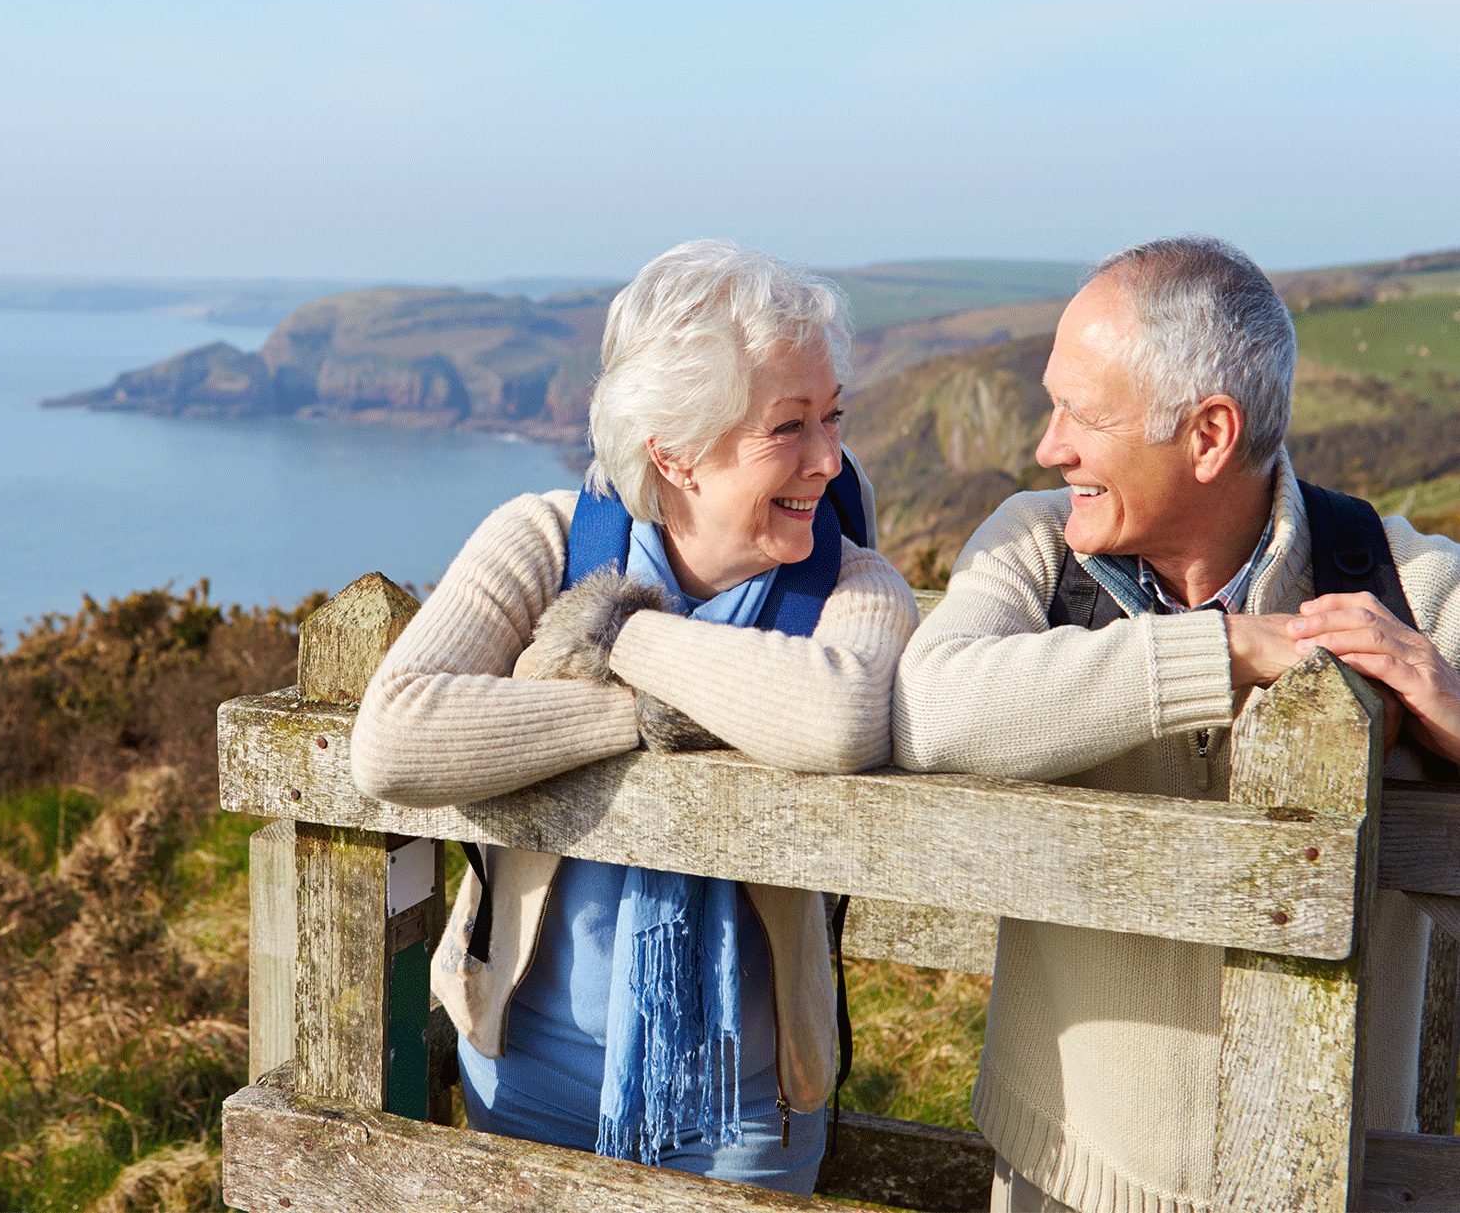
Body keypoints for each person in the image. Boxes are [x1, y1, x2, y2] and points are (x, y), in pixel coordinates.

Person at [892, 234, 1460, 1213]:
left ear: (1208, 436)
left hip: (1340, 1184)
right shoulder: (1035, 548)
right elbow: (930, 710)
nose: (1047, 445)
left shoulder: (1402, 582)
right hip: (1065, 1174)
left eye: (1081, 413)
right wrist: (1224, 652)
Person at [350, 239, 919, 1195]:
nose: (830, 458)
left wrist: (616, 637)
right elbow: (393, 738)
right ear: (674, 453)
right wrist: (645, 717)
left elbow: (838, 716)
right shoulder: (546, 536)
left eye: (833, 416)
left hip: (747, 1107)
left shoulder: (852, 583)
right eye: (789, 426)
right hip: (524, 1070)